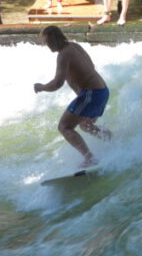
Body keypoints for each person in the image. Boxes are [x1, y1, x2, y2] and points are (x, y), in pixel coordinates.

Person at [33, 26, 111, 168]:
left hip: (91, 94)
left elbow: (57, 83)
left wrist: (42, 87)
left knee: (64, 127)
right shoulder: (74, 46)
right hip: (102, 91)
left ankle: (90, 158)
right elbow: (91, 66)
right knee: (85, 125)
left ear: (55, 40)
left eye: (47, 42)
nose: (47, 45)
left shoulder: (64, 54)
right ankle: (113, 140)